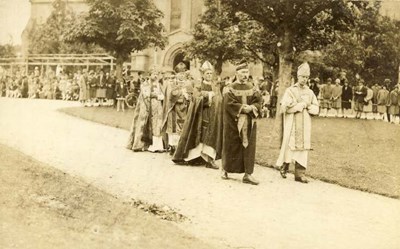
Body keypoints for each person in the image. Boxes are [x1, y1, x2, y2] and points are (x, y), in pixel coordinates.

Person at [172, 61, 223, 169]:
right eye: (207, 74)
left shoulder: (215, 86)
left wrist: (216, 99)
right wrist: (207, 95)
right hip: (201, 114)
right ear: (203, 74)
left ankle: (209, 159)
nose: (209, 76)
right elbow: (196, 97)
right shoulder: (199, 85)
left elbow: (219, 98)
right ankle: (194, 158)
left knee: (211, 136)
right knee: (200, 135)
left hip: (213, 115)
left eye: (210, 73)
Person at [277, 62, 319, 184]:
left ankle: (300, 174)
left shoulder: (310, 92)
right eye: (302, 77)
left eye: (306, 77)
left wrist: (310, 107)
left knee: (303, 148)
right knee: (290, 145)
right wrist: (297, 106)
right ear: (298, 76)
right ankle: (284, 166)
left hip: (305, 123)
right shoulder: (290, 91)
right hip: (292, 123)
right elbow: (284, 108)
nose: (304, 79)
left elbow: (316, 107)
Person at [221, 61, 262, 185]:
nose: (245, 75)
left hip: (249, 121)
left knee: (248, 147)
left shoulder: (253, 87)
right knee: (231, 145)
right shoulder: (230, 88)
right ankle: (225, 169)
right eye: (243, 72)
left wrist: (253, 107)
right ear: (237, 73)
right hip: (233, 122)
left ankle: (248, 174)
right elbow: (228, 103)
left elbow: (258, 101)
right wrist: (242, 108)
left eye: (247, 72)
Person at [162, 62, 192, 155]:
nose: (182, 76)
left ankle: (182, 147)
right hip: (174, 109)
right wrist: (182, 93)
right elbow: (171, 96)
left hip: (185, 109)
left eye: (183, 74)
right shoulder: (172, 83)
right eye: (180, 74)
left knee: (184, 128)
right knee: (174, 129)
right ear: (176, 74)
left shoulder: (188, 84)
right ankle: (173, 147)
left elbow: (191, 96)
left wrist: (188, 97)